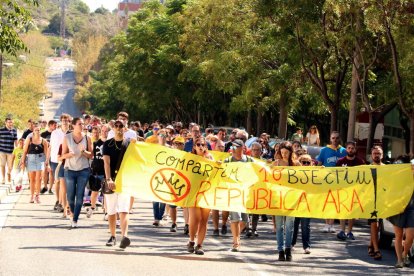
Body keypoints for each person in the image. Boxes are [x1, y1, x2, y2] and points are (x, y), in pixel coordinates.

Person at [103, 120, 132, 249]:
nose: (119, 128)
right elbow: (106, 163)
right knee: (111, 210)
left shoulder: (130, 144)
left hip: (125, 181)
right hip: (112, 181)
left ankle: (124, 236)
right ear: (113, 128)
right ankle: (113, 235)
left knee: (124, 210)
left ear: (125, 128)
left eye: (121, 126)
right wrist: (109, 179)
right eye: (117, 126)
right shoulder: (107, 144)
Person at [61, 117, 92, 228]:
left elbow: (91, 155)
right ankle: (73, 212)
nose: (82, 126)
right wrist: (69, 155)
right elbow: (61, 156)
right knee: (70, 196)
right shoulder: (67, 137)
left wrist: (83, 151)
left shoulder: (87, 138)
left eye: (83, 124)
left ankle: (75, 219)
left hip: (83, 170)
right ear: (73, 125)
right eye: (79, 124)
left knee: (79, 196)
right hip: (69, 170)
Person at [225, 139, 254, 252]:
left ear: (243, 148)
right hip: (233, 193)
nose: (234, 148)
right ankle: (235, 241)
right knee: (235, 218)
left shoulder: (249, 160)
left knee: (245, 221)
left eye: (237, 146)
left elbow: (259, 171)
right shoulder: (228, 160)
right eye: (233, 146)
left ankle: (236, 235)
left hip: (246, 194)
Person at [273, 141, 300, 261]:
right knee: (279, 227)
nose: (284, 155)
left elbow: (308, 174)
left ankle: (288, 249)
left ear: (290, 153)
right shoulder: (276, 163)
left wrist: (320, 169)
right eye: (282, 152)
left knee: (289, 226)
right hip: (278, 199)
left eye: (286, 153)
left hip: (291, 199)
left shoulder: (296, 164)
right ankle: (280, 250)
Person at [316, 131, 346, 233]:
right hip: (326, 180)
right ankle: (326, 224)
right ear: (330, 139)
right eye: (333, 138)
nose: (335, 140)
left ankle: (332, 224)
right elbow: (319, 164)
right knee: (326, 202)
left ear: (339, 139)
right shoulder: (324, 150)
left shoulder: (344, 151)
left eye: (337, 138)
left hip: (339, 182)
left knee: (334, 203)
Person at [187, 137, 213, 255]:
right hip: (193, 193)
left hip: (206, 193)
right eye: (198, 144)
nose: (201, 146)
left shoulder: (210, 158)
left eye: (203, 144)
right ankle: (191, 240)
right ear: (194, 147)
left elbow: (216, 172)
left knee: (204, 220)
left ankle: (199, 245)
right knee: (195, 219)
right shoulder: (189, 158)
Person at [388, 155, 414, 268]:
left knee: (410, 236)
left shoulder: (412, 175)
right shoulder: (392, 178)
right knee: (398, 235)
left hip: (411, 208)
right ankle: (399, 260)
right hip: (397, 208)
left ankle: (404, 254)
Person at [335, 141, 365, 241]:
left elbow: (364, 175)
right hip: (343, 190)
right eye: (349, 148)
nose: (350, 150)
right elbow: (335, 175)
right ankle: (342, 231)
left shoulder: (360, 162)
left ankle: (349, 232)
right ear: (346, 149)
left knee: (352, 212)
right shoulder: (340, 161)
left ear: (355, 150)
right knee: (343, 211)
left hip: (355, 190)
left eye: (352, 148)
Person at [20, 122, 49, 203]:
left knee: (39, 179)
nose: (37, 131)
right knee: (32, 179)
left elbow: (46, 153)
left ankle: (37, 196)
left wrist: (47, 163)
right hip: (31, 159)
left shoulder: (44, 141)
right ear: (33, 131)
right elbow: (25, 151)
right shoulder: (29, 139)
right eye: (36, 130)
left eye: (39, 130)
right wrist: (22, 161)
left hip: (40, 159)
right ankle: (32, 196)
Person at [291, 154, 314, 254]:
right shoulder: (294, 173)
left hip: (306, 203)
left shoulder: (314, 173)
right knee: (294, 224)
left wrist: (323, 170)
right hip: (295, 202)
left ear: (311, 164)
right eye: (303, 162)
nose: (305, 164)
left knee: (305, 225)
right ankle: (292, 244)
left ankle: (306, 246)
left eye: (307, 162)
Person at [49, 114, 71, 213]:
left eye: (66, 120)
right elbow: (51, 147)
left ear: (69, 122)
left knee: (64, 182)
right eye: (63, 120)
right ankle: (58, 200)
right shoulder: (55, 133)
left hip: (67, 160)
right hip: (55, 160)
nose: (65, 122)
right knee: (57, 181)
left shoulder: (71, 133)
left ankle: (63, 203)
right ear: (60, 122)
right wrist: (47, 160)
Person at [368, 146, 384, 261]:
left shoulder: (387, 168)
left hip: (383, 200)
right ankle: (377, 250)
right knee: (374, 224)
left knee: (378, 226)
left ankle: (371, 245)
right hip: (370, 201)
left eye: (378, 153)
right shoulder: (367, 168)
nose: (376, 155)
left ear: (382, 155)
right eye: (374, 153)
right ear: (371, 155)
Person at [86, 125, 107, 218]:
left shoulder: (110, 143)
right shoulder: (96, 143)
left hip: (106, 171)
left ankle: (107, 212)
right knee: (95, 191)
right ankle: (92, 208)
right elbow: (91, 155)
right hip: (96, 170)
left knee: (106, 193)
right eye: (102, 131)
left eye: (106, 131)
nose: (104, 132)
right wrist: (83, 152)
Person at [40, 120, 57, 194]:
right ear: (49, 125)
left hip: (53, 154)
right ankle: (45, 187)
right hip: (45, 154)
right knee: (45, 171)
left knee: (51, 172)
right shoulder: (43, 134)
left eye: (56, 125)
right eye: (54, 125)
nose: (55, 127)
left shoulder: (56, 134)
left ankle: (50, 188)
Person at [0, 117, 18, 184]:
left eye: (11, 122)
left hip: (11, 151)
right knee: (2, 165)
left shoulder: (14, 130)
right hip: (2, 150)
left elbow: (16, 141)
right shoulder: (1, 130)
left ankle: (8, 173)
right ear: (5, 122)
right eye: (9, 122)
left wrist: (17, 149)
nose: (10, 123)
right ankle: (3, 179)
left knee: (10, 166)